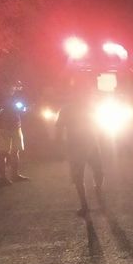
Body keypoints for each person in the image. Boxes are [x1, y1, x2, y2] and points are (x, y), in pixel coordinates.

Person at [55, 75, 103, 217]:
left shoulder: (68, 109)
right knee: (93, 172)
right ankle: (92, 198)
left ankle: (86, 203)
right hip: (86, 144)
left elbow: (59, 129)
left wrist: (59, 147)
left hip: (81, 145)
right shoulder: (83, 108)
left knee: (82, 176)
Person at [0, 82, 30, 184]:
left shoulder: (14, 97)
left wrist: (24, 109)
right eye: (12, 86)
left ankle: (15, 174)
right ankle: (3, 177)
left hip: (15, 127)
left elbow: (21, 110)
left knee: (15, 151)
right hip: (3, 128)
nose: (14, 88)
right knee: (3, 153)